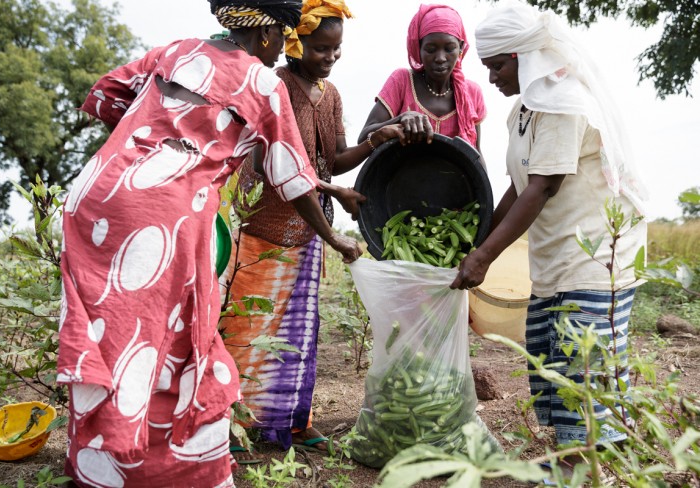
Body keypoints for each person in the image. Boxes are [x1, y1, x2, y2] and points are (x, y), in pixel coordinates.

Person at [56, 0, 363, 486]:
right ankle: (152, 471)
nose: (282, 51)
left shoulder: (177, 51)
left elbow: (107, 93)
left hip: (96, 194)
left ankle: (98, 460)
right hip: (161, 216)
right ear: (266, 37)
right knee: (169, 342)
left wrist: (145, 150)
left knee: (110, 335)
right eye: (283, 40)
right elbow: (294, 178)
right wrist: (334, 237)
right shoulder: (264, 83)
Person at [451, 1, 649, 481]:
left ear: (523, 56)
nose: (493, 78)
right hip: (554, 258)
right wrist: (473, 240)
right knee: (550, 362)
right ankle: (572, 461)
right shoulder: (524, 110)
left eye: (497, 65)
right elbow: (517, 186)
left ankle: (592, 467)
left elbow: (543, 187)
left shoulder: (564, 102)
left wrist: (483, 258)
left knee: (584, 368)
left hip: (594, 258)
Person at [219, 0, 402, 464]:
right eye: (322, 49)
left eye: (337, 49)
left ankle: (291, 422)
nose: (331, 57)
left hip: (309, 228)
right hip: (266, 224)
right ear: (295, 43)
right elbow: (269, 164)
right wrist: (330, 191)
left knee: (298, 333)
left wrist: (371, 143)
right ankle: (236, 422)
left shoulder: (332, 94)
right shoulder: (275, 85)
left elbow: (333, 158)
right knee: (250, 328)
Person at [357, 3, 486, 157]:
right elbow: (363, 138)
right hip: (401, 179)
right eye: (430, 49)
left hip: (453, 181)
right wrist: (400, 120)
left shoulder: (471, 93)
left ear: (461, 48)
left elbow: (476, 154)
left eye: (449, 48)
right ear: (418, 48)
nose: (440, 58)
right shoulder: (402, 81)